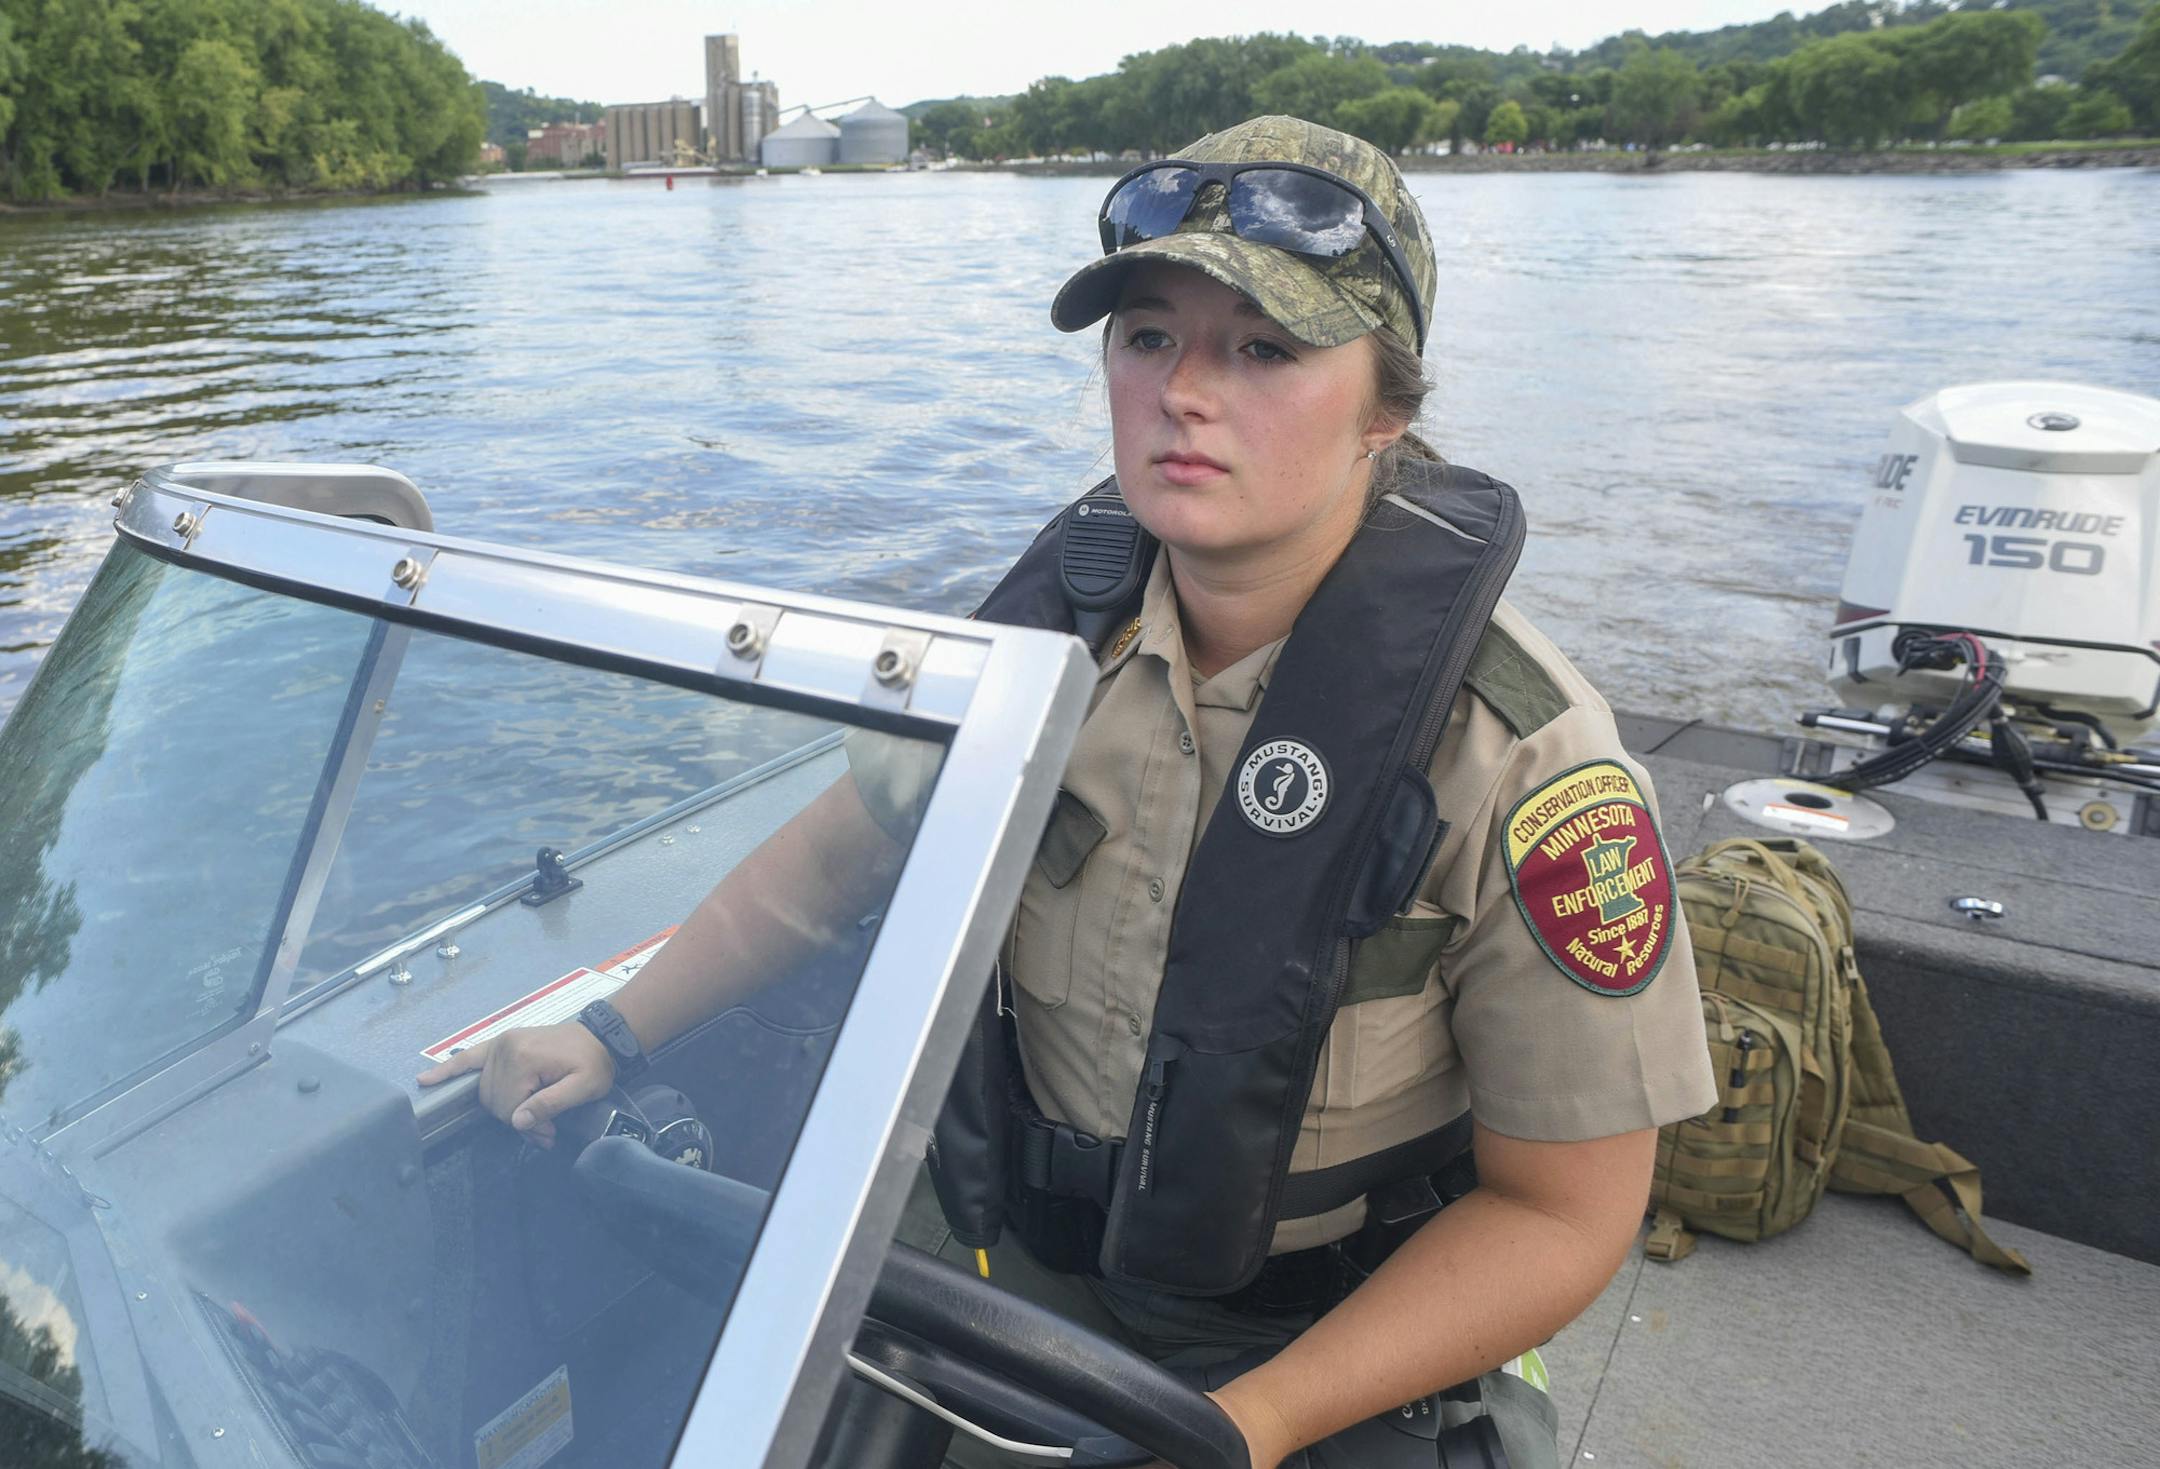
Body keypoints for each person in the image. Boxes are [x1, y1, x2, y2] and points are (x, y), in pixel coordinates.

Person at [421, 115, 1717, 1469]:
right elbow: (832, 862)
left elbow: (1565, 1211)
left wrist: (1247, 1427)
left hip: (1335, 1339)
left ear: (1388, 407)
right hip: (1025, 1271)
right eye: (1148, 337)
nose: (1184, 393)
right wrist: (614, 1032)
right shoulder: (1044, 649)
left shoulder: (1522, 757)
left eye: (1265, 348)